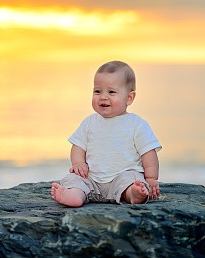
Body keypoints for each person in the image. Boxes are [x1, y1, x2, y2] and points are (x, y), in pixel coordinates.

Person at [51, 61, 161, 207]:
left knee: (132, 179)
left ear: (129, 98)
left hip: (121, 178)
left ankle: (133, 194)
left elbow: (148, 153)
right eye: (97, 91)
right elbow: (78, 146)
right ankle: (74, 195)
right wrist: (78, 163)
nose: (103, 97)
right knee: (75, 179)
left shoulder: (136, 124)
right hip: (92, 179)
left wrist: (151, 178)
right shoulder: (89, 122)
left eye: (111, 92)